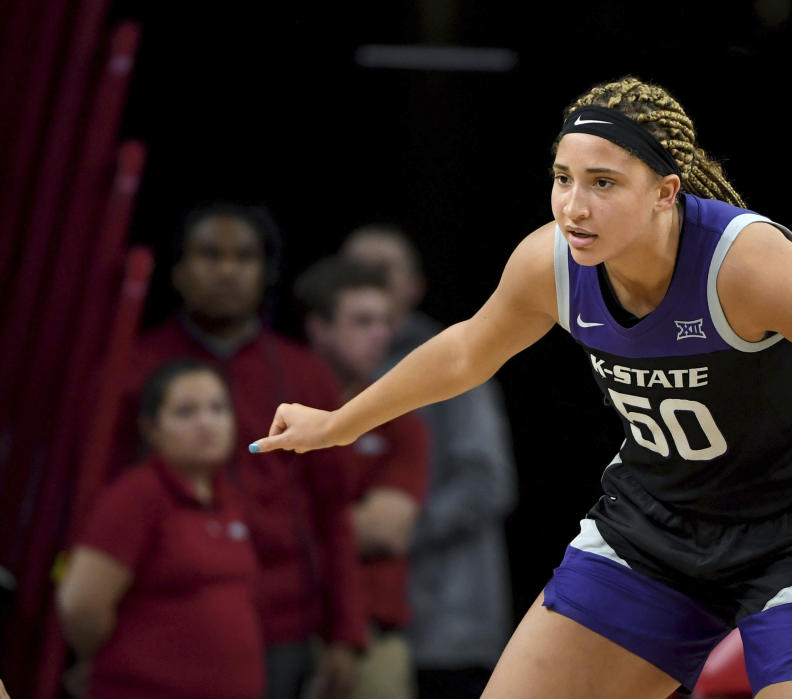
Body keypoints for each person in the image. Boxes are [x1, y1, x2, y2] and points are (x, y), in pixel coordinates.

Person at [253, 77, 792, 698]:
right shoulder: (551, 263)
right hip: (655, 527)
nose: (572, 205)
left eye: (602, 183)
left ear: (666, 193)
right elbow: (465, 353)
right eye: (561, 178)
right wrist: (340, 421)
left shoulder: (749, 266)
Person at [119, 203, 367, 699]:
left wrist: (346, 634)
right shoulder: (131, 370)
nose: (228, 270)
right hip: (161, 624)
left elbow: (333, 513)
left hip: (283, 626)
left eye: (244, 257)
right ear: (180, 272)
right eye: (211, 255)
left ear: (265, 272)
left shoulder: (305, 375)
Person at [342, 227, 517, 698]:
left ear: (414, 286)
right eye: (357, 272)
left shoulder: (456, 360)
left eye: (382, 272)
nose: (370, 282)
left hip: (447, 623)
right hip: (355, 622)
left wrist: (393, 532)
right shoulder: (323, 370)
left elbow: (487, 483)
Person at [59, 360, 264, 699]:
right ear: (152, 429)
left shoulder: (229, 498)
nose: (207, 423)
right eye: (186, 412)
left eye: (218, 408)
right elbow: (80, 604)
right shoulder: (135, 497)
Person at [295, 257, 432, 699]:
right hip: (283, 623)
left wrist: (288, 532)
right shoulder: (280, 409)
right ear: (319, 328)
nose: (382, 333)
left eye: (385, 321)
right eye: (362, 321)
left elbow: (387, 528)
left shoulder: (399, 419)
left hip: (374, 633)